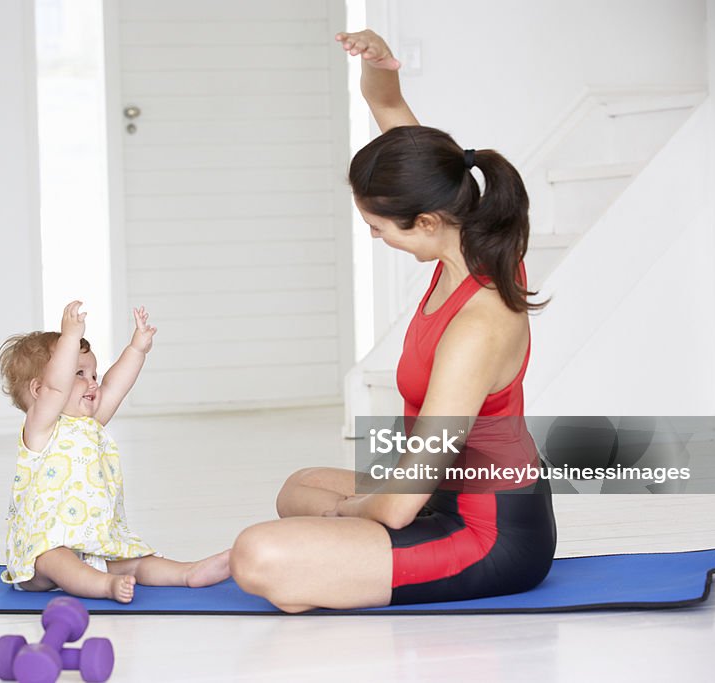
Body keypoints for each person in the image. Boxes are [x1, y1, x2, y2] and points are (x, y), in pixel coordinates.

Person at [229, 29, 557, 612]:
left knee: (256, 554)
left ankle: (322, 569)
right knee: (297, 485)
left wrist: (345, 515)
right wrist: (380, 67)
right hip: (436, 492)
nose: (374, 234)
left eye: (379, 226)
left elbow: (401, 503)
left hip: (488, 535)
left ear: (426, 222)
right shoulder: (468, 231)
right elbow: (393, 118)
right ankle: (332, 564)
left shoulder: (477, 326)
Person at [0, 301, 230, 602]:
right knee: (56, 559)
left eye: (93, 374)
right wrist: (69, 337)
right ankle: (104, 586)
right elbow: (58, 388)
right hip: (41, 554)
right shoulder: (41, 427)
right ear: (39, 390)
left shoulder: (90, 423)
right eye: (79, 373)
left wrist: (137, 349)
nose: (93, 383)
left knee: (135, 561)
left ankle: (187, 573)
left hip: (93, 545)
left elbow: (115, 386)